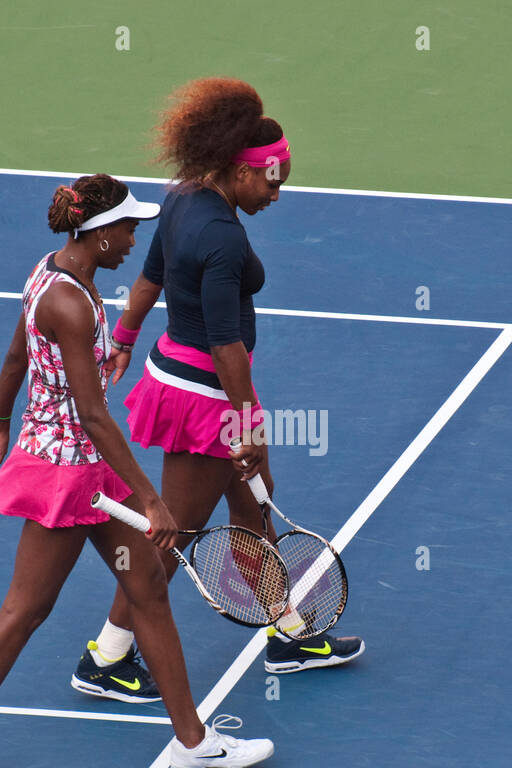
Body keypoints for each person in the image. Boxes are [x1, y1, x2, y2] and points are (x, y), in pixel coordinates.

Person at [0, 174, 273, 768]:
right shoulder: (73, 305)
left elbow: (18, 356)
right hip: (67, 477)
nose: (135, 240)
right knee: (26, 611)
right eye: (128, 229)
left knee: (148, 587)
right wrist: (152, 500)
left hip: (90, 476)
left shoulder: (51, 273)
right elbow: (94, 415)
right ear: (98, 234)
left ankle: (193, 743)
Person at [69, 78, 363, 704]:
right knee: (175, 532)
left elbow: (151, 274)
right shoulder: (223, 237)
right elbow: (226, 344)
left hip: (192, 383)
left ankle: (286, 631)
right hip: (205, 397)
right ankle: (107, 657)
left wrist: (123, 337)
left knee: (255, 502)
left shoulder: (183, 198)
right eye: (272, 181)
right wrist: (249, 425)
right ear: (239, 170)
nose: (278, 193)